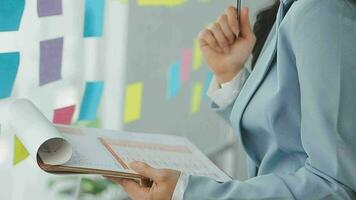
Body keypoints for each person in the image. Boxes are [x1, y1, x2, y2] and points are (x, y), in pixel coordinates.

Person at [107, 0, 356, 199]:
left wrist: (187, 194)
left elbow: (334, 186)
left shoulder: (321, 11)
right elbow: (288, 130)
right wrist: (231, 74)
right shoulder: (293, 10)